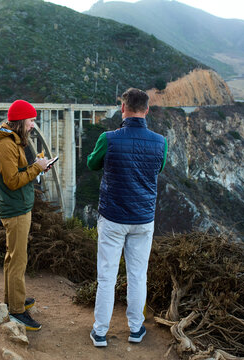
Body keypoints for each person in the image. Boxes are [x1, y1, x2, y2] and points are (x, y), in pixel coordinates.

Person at [86, 88, 168, 347]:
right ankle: (135, 329)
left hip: (112, 218)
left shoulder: (108, 138)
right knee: (137, 275)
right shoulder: (160, 142)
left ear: (123, 108)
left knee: (107, 276)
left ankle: (100, 332)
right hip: (143, 219)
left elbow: (91, 164)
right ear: (146, 110)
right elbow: (160, 167)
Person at [0, 99, 49, 331]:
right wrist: (37, 168)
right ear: (21, 121)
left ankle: (14, 298)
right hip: (14, 209)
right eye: (31, 121)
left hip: (18, 206)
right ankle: (16, 310)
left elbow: (16, 172)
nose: (33, 125)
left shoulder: (12, 141)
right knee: (17, 259)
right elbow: (12, 181)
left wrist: (36, 165)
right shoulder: (4, 145)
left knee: (14, 257)